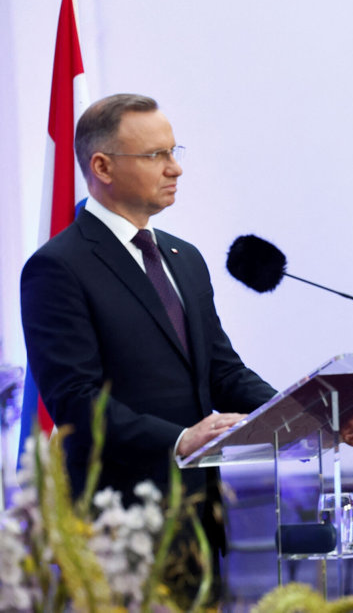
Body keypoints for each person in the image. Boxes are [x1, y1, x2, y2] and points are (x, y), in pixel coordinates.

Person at [20, 93, 276, 599]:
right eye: (157, 155)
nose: (175, 168)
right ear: (102, 166)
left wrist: (307, 412)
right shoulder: (59, 266)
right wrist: (179, 439)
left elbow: (222, 371)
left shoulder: (185, 258)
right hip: (116, 527)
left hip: (198, 518)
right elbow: (75, 399)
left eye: (174, 151)